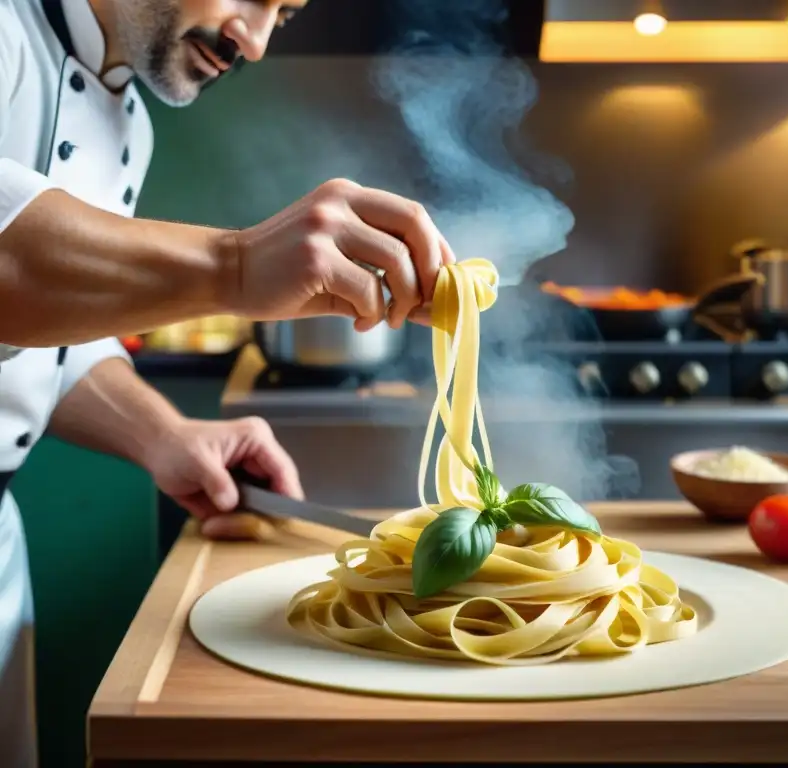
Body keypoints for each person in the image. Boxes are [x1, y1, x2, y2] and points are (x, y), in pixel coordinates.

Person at [0, 0, 453, 764]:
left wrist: (164, 435)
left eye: (286, 12)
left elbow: (49, 338)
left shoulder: (129, 127)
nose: (254, 38)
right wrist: (236, 265)